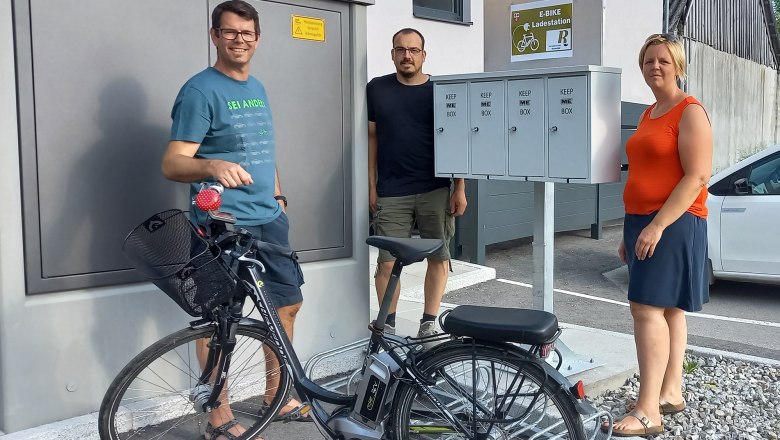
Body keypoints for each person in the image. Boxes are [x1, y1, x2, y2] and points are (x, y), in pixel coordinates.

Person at [162, 1, 308, 438]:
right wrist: (210, 167)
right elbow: (173, 163)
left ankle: (276, 396)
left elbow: (263, 150)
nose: (239, 40)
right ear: (215, 36)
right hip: (221, 226)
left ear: (257, 39)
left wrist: (277, 194)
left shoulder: (257, 86)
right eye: (230, 32)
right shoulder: (199, 91)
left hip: (268, 218)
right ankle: (219, 414)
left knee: (286, 305)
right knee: (219, 318)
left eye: (246, 33)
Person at [603, 33, 713, 437]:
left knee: (646, 309)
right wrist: (631, 230)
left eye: (663, 60)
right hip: (644, 220)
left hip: (672, 220)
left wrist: (656, 225)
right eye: (648, 60)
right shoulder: (651, 112)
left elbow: (697, 176)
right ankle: (670, 392)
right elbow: (647, 174)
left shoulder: (689, 111)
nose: (655, 66)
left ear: (678, 65)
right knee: (669, 310)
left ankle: (648, 411)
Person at [367, 28, 467, 339]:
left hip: (435, 188)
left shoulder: (440, 90)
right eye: (400, 49)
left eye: (413, 50)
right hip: (391, 190)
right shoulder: (377, 89)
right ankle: (388, 328)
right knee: (386, 263)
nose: (406, 55)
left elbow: (456, 139)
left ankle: (428, 324)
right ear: (392, 53)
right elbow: (372, 138)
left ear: (424, 55)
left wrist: (460, 187)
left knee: (438, 257)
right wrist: (371, 186)